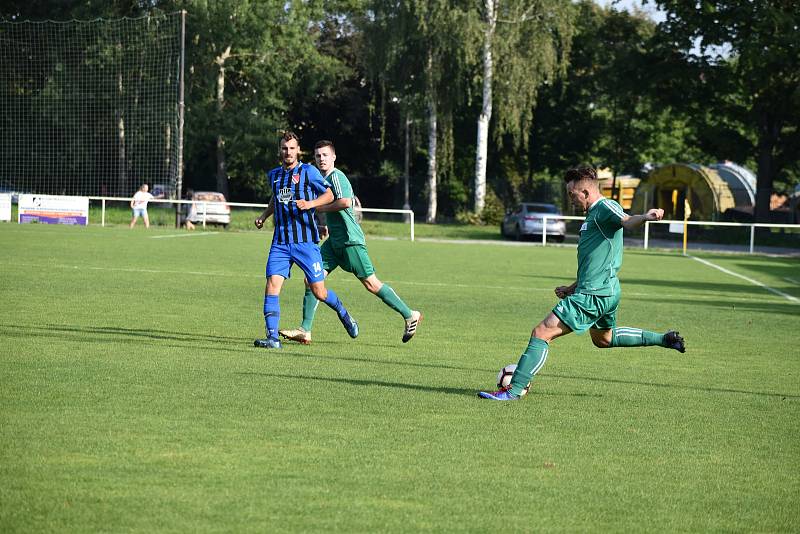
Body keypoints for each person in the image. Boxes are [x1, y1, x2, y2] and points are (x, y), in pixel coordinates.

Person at [479, 165, 686, 401]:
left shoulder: (605, 207)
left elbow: (627, 221)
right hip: (603, 290)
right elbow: (595, 261)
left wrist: (646, 217)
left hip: (594, 294)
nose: (570, 200)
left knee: (541, 332)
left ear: (585, 192)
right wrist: (572, 287)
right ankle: (664, 339)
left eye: (572, 194)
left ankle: (514, 391)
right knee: (603, 339)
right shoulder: (592, 216)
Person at [278, 140, 422, 345]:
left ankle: (410, 315)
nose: (321, 159)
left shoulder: (337, 177)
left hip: (350, 242)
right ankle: (305, 330)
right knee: (311, 279)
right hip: (333, 243)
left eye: (325, 155)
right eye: (318, 156)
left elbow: (346, 202)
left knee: (371, 284)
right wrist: (323, 226)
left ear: (333, 157)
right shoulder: (322, 179)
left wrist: (320, 208)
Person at [253, 132, 358, 349]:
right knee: (272, 285)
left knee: (318, 291)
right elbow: (275, 198)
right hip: (280, 242)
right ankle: (272, 338)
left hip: (306, 243)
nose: (288, 152)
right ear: (279, 150)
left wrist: (310, 205)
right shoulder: (274, 175)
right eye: (284, 148)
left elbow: (329, 195)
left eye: (292, 148)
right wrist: (264, 216)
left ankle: (343, 312)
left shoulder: (309, 172)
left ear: (298, 150)